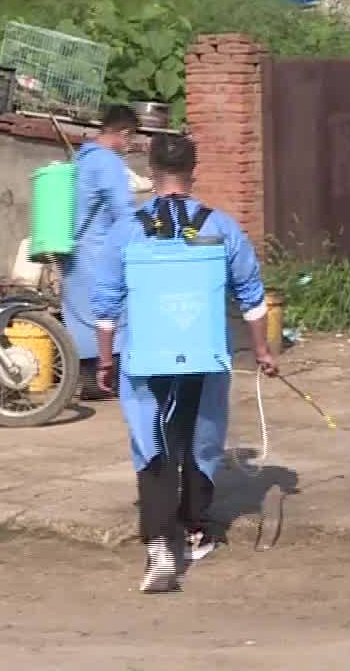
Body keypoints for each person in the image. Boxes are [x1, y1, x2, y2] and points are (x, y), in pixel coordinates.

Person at [91, 133, 277, 594]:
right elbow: (252, 299)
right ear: (193, 173)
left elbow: (105, 305)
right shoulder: (223, 228)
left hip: (145, 357)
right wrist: (262, 352)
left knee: (150, 440)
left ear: (151, 173)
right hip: (205, 354)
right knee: (200, 438)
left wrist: (106, 360)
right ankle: (195, 529)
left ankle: (158, 542)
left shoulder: (126, 230)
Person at [61, 105, 141, 400]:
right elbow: (123, 212)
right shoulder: (109, 163)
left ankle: (88, 381)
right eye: (130, 140)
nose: (129, 147)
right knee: (112, 314)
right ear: (124, 133)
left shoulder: (80, 158)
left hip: (73, 252)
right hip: (99, 252)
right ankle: (108, 380)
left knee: (79, 315)